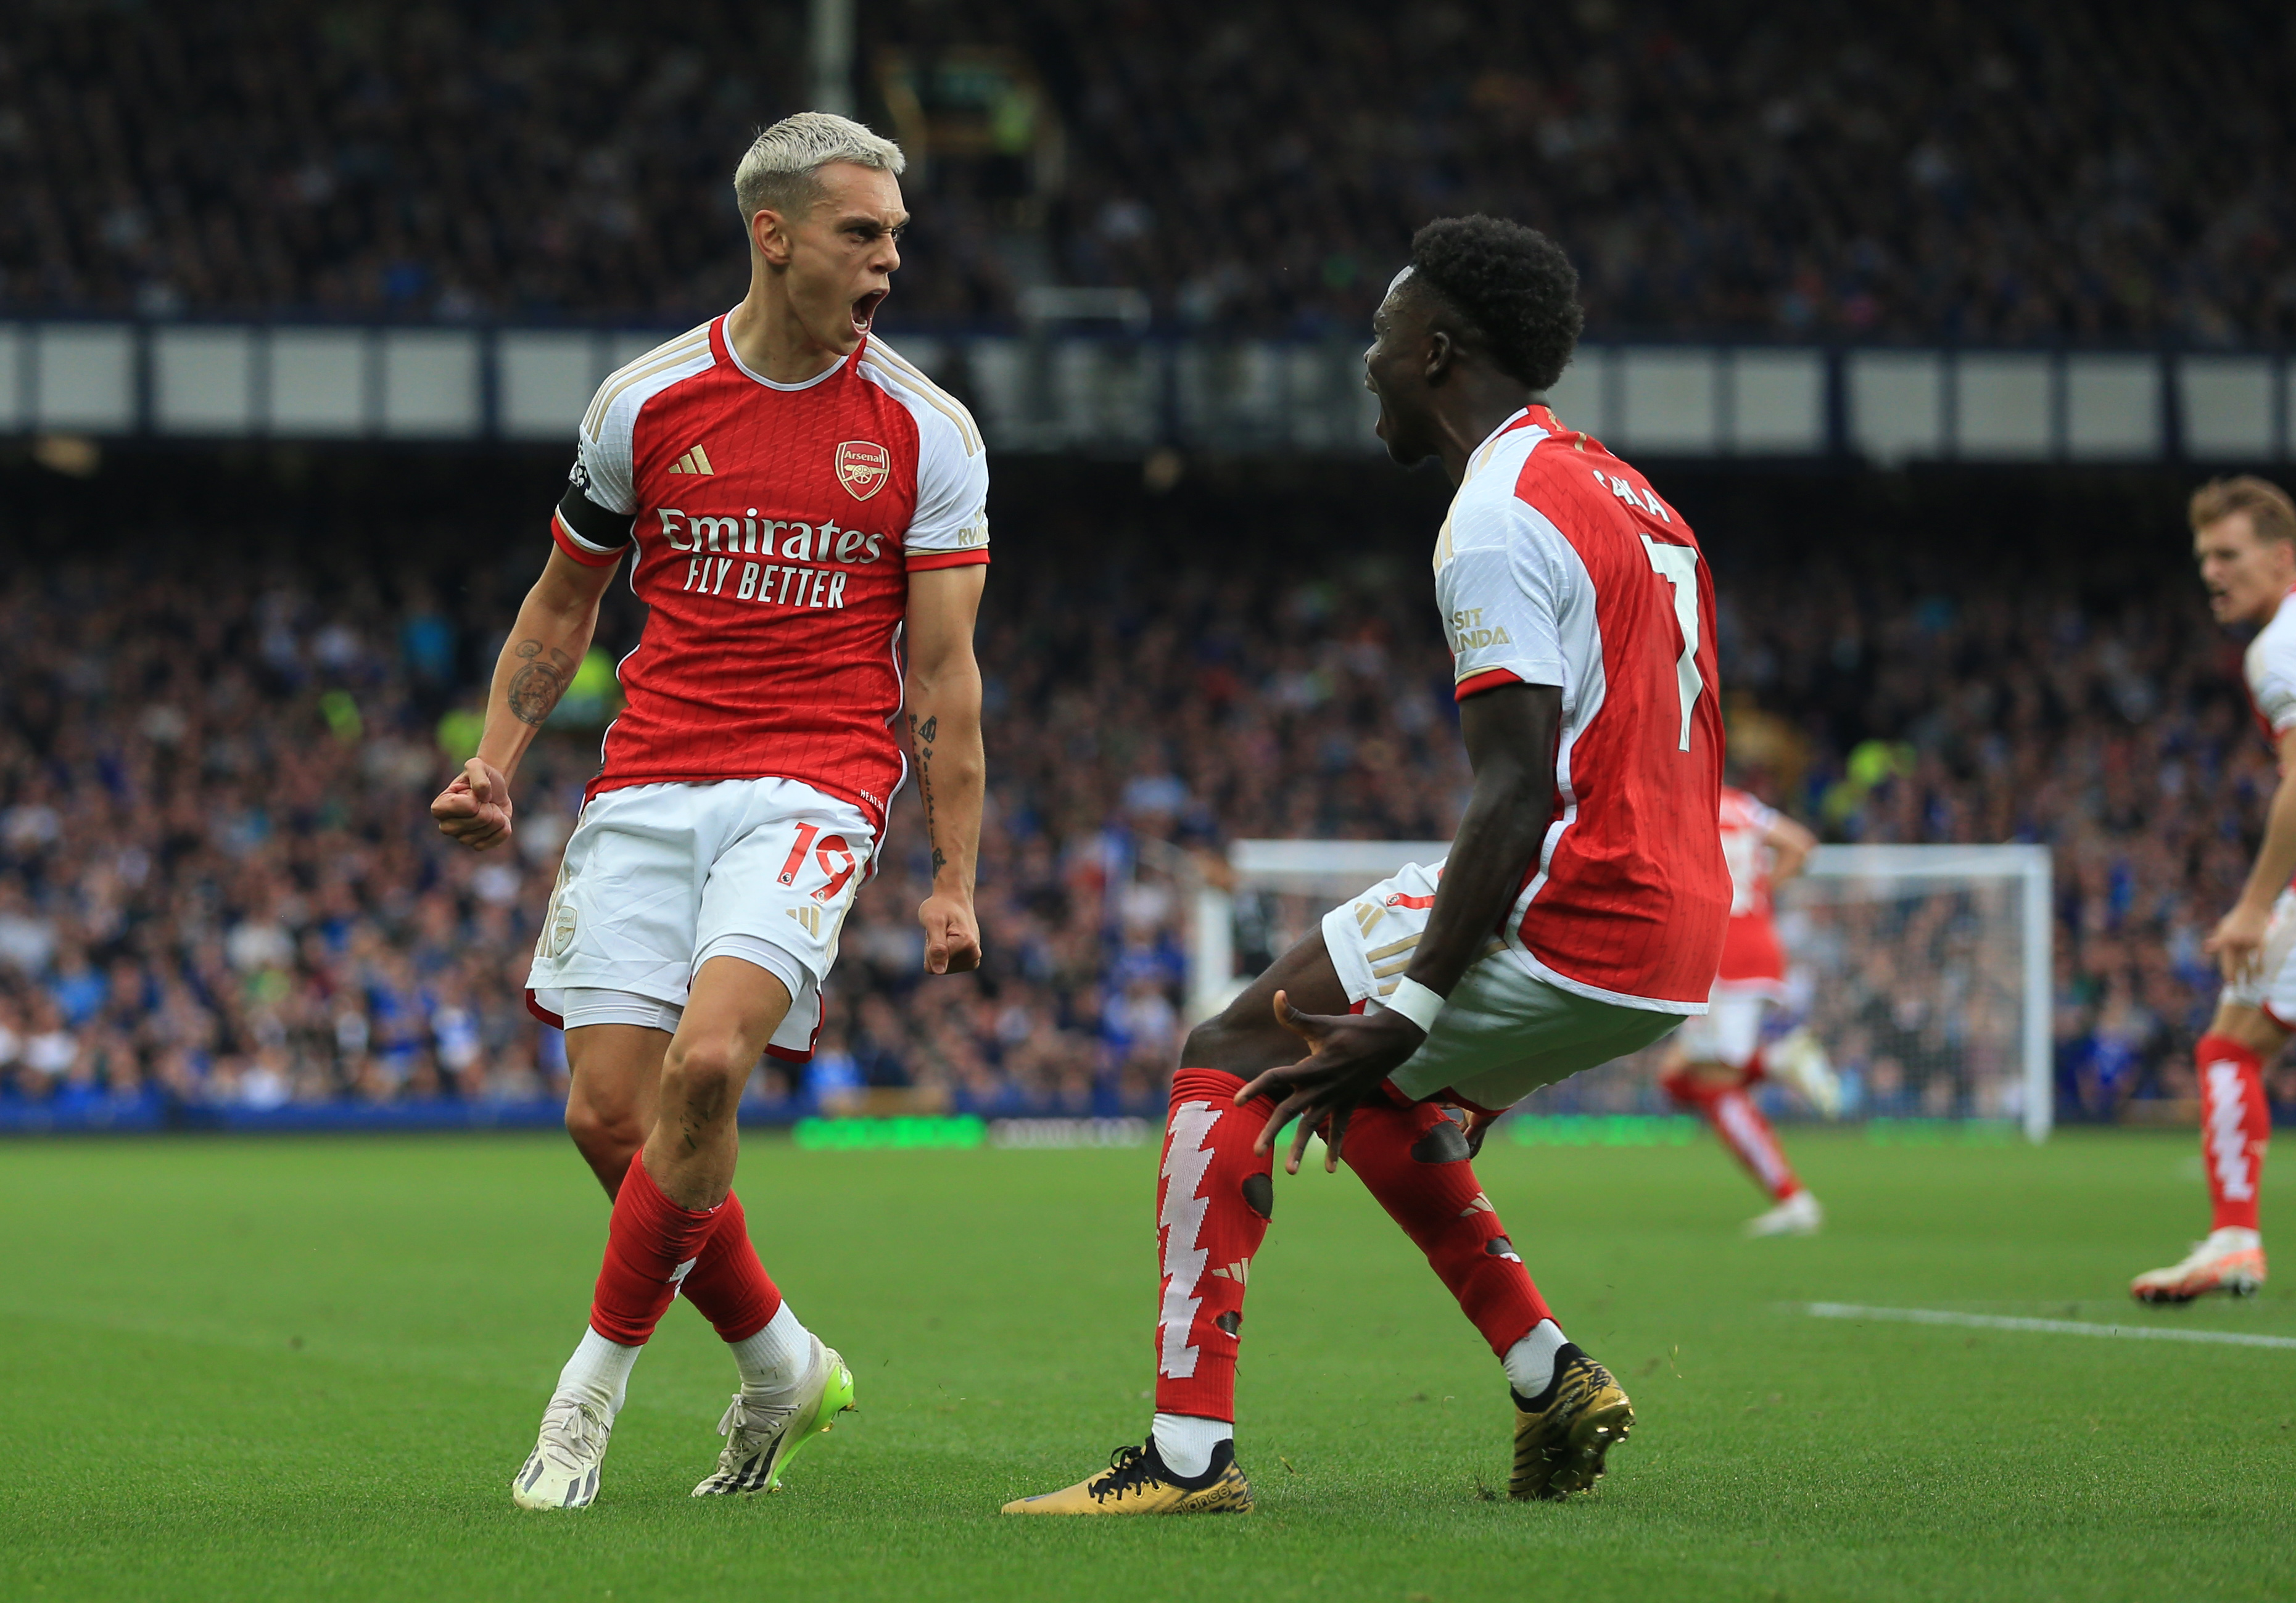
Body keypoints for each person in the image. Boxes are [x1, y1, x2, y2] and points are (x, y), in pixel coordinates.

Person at [1002, 215, 1728, 1515]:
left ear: (1437, 350)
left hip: (1578, 893)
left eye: (1383, 337)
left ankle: (1183, 1458)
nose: (1368, 363)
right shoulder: (1630, 491)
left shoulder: (1496, 512)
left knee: (1233, 1043)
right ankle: (1546, 1371)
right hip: (1674, 938)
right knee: (1360, 1082)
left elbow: (1512, 791)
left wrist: (1421, 998)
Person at [431, 111, 989, 1507]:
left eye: (897, 237)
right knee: (606, 1116)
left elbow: (940, 675)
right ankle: (783, 1360)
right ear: (774, 233)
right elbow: (565, 603)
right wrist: (498, 756)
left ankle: (585, 1400)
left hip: (813, 783)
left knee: (705, 1068)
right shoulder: (646, 402)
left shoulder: (925, 431)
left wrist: (950, 874)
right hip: (648, 780)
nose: (887, 261)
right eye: (861, 233)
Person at [2131, 476, 2289, 1304]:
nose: (2212, 573)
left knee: (2227, 1047)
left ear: (2281, 556)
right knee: (2236, 1039)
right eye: (2204, 559)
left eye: (2227, 554)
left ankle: (2233, 1238)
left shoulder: (2281, 645)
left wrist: (2256, 903)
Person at [1659, 785, 1840, 1235]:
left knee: (1711, 1082)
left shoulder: (1679, 801)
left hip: (1719, 956)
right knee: (1678, 1078)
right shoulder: (1744, 805)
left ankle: (1793, 1198)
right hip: (1760, 945)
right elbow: (1801, 845)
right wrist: (1761, 889)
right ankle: (1779, 1062)